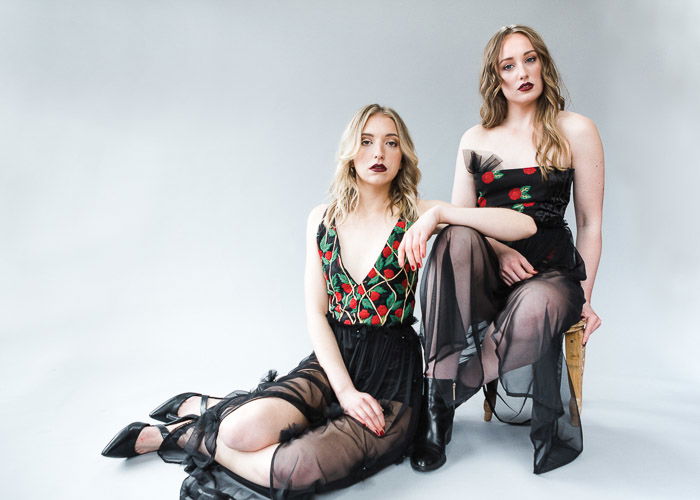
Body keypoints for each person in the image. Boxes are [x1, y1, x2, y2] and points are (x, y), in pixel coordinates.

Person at [101, 103, 536, 499]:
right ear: (350, 152)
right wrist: (344, 391)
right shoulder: (322, 219)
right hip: (332, 360)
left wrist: (442, 216)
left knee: (297, 467)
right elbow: (316, 313)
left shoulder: (416, 214)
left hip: (392, 373)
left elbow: (522, 226)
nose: (378, 152)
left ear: (402, 155)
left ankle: (179, 436)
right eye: (366, 142)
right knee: (238, 430)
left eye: (390, 142)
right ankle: (207, 419)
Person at [404, 25, 604, 474]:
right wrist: (498, 251)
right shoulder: (475, 138)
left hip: (552, 271)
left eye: (529, 59)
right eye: (508, 65)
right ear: (496, 79)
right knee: (452, 236)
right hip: (490, 271)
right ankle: (440, 402)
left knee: (536, 303)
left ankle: (444, 396)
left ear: (543, 64)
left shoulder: (576, 129)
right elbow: (459, 219)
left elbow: (591, 224)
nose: (521, 72)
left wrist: (587, 297)